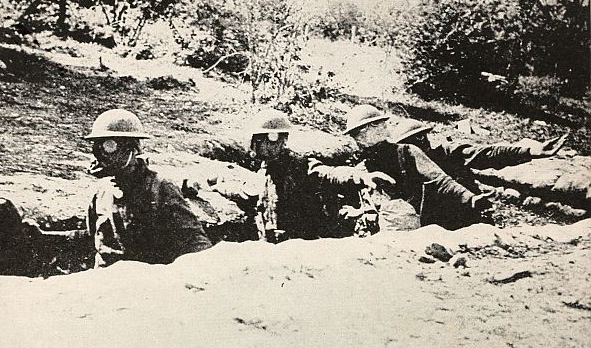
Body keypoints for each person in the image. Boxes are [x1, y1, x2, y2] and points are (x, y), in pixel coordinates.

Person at [210, 108, 389, 242]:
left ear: (274, 139)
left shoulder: (298, 165)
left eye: (258, 141)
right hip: (272, 246)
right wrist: (219, 186)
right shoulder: (265, 171)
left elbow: (328, 174)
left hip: (299, 250)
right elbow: (247, 192)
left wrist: (360, 177)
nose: (253, 147)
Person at [84, 109, 212, 267]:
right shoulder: (101, 191)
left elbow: (196, 243)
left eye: (109, 145)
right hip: (107, 282)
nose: (100, 154)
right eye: (97, 146)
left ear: (132, 148)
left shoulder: (160, 187)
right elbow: (91, 238)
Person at [348, 105, 568, 193]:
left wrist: (529, 151)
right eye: (418, 139)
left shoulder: (442, 153)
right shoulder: (394, 159)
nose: (424, 143)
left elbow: (485, 154)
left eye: (425, 138)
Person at [338, 104, 492, 230]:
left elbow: (439, 180)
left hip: (419, 226)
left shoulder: (406, 152)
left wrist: (469, 199)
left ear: (374, 129)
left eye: (359, 133)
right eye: (354, 135)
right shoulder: (361, 168)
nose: (357, 139)